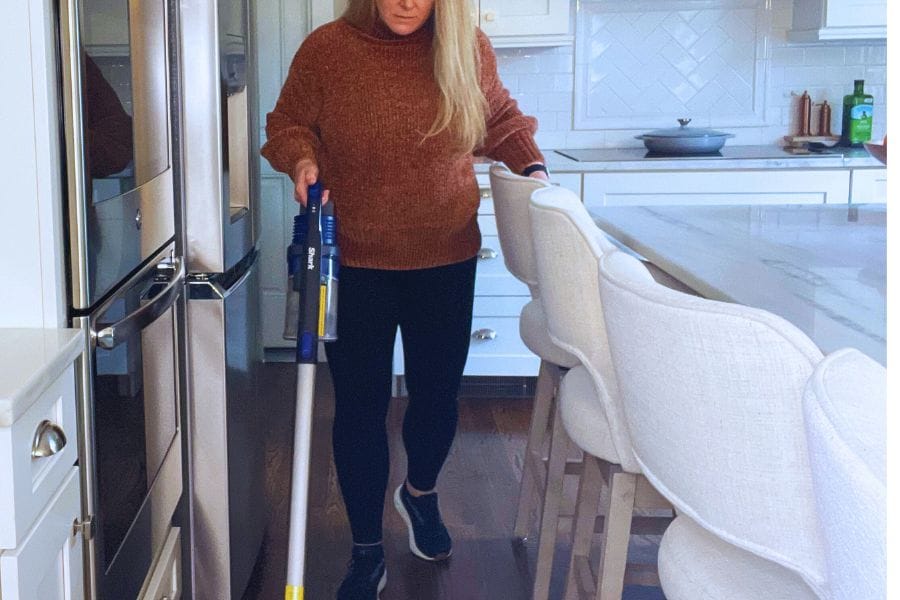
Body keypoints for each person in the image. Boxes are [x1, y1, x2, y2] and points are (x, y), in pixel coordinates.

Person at [261, 0, 549, 597]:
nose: (407, 1)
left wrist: (534, 168)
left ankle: (419, 494)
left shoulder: (464, 47)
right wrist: (302, 159)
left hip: (444, 255)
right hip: (355, 261)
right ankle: (366, 547)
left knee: (437, 395)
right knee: (360, 406)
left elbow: (501, 118)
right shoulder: (329, 49)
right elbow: (287, 123)